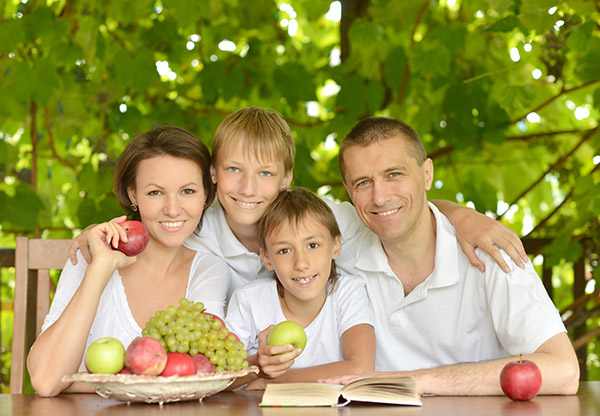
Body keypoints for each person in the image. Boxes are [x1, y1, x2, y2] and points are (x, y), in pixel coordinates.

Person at [69, 108, 529, 293]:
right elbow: (153, 221)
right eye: (234, 171)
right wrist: (101, 232)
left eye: (265, 174)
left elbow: (390, 207)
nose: (249, 188)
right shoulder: (196, 229)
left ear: (286, 179)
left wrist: (462, 215)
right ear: (212, 175)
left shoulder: (327, 221)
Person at [327, 116, 579, 396]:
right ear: (348, 191)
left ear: (427, 174)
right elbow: (272, 198)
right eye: (362, 183)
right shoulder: (337, 236)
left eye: (394, 175)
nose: (380, 197)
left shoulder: (490, 250)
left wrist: (419, 380)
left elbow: (563, 371)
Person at [27, 126, 231, 397]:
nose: (172, 208)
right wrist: (100, 269)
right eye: (155, 193)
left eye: (188, 191)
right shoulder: (91, 255)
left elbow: (192, 377)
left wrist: (78, 382)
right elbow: (46, 381)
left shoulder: (208, 271)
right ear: (133, 194)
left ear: (206, 194)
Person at [225, 188, 375, 389]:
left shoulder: (347, 293)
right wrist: (258, 366)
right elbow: (217, 378)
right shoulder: (250, 300)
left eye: (313, 245)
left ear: (336, 246)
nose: (301, 263)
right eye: (284, 250)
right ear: (267, 258)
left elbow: (361, 367)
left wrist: (270, 381)